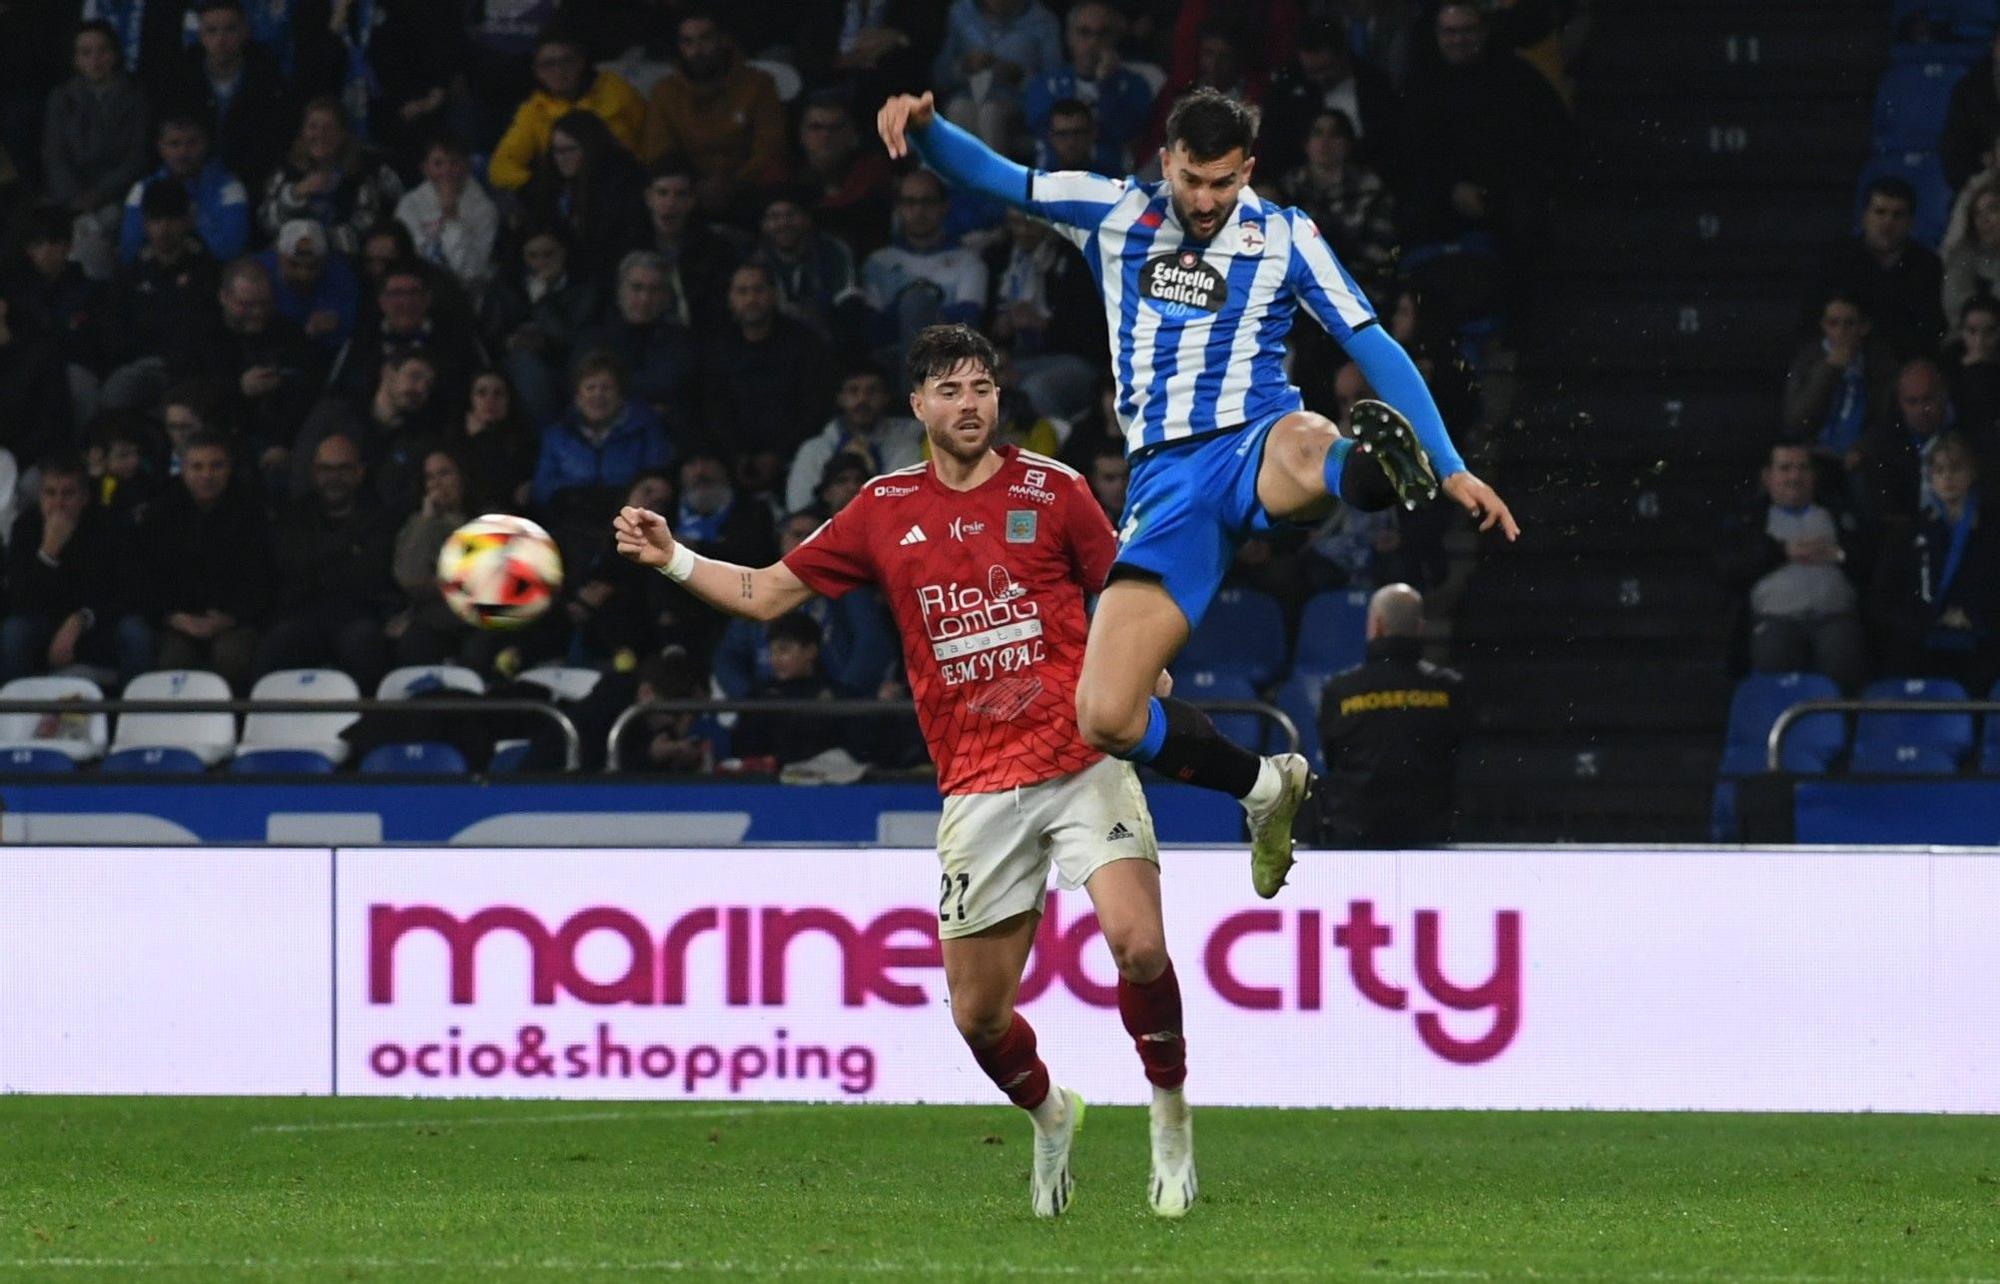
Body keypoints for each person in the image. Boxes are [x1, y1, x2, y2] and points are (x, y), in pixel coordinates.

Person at [877, 85, 1516, 898]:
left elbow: (1367, 336)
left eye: (1223, 182)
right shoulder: (1111, 211)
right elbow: (1001, 177)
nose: (1207, 200)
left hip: (1256, 439)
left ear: (1246, 169)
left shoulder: (1283, 235)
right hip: (1166, 486)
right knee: (1105, 714)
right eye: (1192, 181)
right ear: (1166, 162)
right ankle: (1264, 787)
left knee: (1310, 442)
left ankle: (1373, 471)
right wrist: (929, 132)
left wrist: (1452, 461)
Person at [617, 323, 1196, 1218]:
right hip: (976, 784)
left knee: (1140, 943)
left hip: (1082, 760)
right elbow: (770, 593)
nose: (970, 405)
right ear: (918, 406)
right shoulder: (883, 508)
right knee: (980, 1019)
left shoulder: (1056, 490)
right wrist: (674, 558)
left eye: (983, 388)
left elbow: (1130, 592)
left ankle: (1169, 1116)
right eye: (951, 390)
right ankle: (1050, 1118)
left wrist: (1142, 662)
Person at [1312, 583, 1466, 848]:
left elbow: (1332, 755)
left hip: (1357, 831)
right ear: (1419, 628)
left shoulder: (1340, 691)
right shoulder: (1448, 689)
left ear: (1377, 626)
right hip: (1429, 831)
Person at [1715, 439, 1869, 693]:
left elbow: (1870, 559)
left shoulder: (1838, 513)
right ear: (1767, 476)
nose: (1794, 477)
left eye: (1802, 468)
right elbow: (1728, 565)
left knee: (1844, 657)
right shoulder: (1750, 518)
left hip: (1835, 620)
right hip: (1775, 621)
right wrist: (1782, 551)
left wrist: (1838, 553)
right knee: (1775, 660)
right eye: (1785, 468)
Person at [1, 451, 151, 683]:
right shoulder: (26, 527)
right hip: (44, 623)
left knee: (136, 633)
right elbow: (20, 600)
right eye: (50, 493)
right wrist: (48, 553)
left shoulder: (111, 525)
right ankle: (15, 713)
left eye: (68, 494)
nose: (58, 503)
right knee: (14, 633)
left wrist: (81, 618)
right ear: (40, 496)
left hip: (99, 622)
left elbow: (129, 590)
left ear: (85, 497)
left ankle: (132, 714)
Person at [1870, 430, 2000, 695]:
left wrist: (1973, 618)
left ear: (1972, 473)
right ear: (1929, 477)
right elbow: (1882, 599)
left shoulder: (1992, 531)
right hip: (1923, 637)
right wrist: (1928, 621)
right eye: (1939, 470)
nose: (1947, 477)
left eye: (1955, 468)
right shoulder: (1909, 533)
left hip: (1980, 636)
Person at [637, 10, 788, 217]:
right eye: (687, 42)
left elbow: (770, 145)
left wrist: (733, 183)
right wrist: (696, 184)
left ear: (723, 40)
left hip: (749, 189)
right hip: (687, 193)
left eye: (705, 39)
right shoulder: (665, 91)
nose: (696, 50)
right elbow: (660, 151)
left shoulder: (758, 84)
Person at [43, 20, 152, 282]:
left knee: (91, 234)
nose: (95, 59)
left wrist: (98, 194)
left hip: (116, 196)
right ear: (76, 59)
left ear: (115, 54)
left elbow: (136, 158)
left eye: (102, 50)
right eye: (86, 52)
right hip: (69, 197)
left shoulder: (136, 98)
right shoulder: (61, 98)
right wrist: (73, 196)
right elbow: (54, 155)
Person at [487, 27, 644, 192]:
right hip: (570, 194)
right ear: (537, 71)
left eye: (567, 61)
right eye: (548, 64)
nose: (558, 71)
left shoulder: (615, 89)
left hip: (626, 186)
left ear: (581, 62)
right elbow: (501, 167)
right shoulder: (533, 111)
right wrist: (543, 186)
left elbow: (649, 140)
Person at [1807, 177, 1943, 362]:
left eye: (1898, 215)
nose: (1888, 223)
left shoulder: (1927, 264)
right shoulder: (1837, 261)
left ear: (1911, 221)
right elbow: (1812, 320)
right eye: (1880, 212)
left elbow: (1931, 328)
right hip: (1839, 358)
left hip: (1904, 364)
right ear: (1864, 216)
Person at [256, 96, 405, 256]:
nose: (320, 134)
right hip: (289, 260)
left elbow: (365, 228)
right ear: (303, 132)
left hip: (341, 260)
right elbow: (267, 224)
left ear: (342, 135)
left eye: (328, 128)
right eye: (313, 127)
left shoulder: (360, 175)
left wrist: (315, 240)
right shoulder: (285, 172)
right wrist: (296, 194)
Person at [1023, 2, 1155, 172]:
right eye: (1084, 33)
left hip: (1111, 184)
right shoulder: (1044, 85)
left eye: (1103, 33)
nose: (1093, 42)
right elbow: (1045, 132)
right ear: (1069, 37)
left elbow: (1126, 134)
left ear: (1116, 37)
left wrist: (1107, 85)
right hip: (1053, 181)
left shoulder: (1135, 85)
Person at [784, 361, 926, 514]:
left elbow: (906, 504)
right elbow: (799, 509)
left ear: (886, 397)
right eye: (853, 391)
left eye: (872, 391)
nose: (862, 399)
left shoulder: (909, 441)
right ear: (840, 398)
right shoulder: (814, 450)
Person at [116, 113, 250, 266]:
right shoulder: (142, 190)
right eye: (174, 144)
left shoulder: (229, 188)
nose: (183, 152)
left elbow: (231, 251)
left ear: (205, 144)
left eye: (191, 143)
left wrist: (195, 219)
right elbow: (129, 251)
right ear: (161, 148)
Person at [394, 134, 500, 305]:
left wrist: (451, 217)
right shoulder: (409, 205)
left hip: (467, 296)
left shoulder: (484, 209)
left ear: (468, 166)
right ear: (425, 168)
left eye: (455, 162)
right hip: (419, 293)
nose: (447, 171)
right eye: (438, 164)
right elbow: (410, 257)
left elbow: (469, 271)